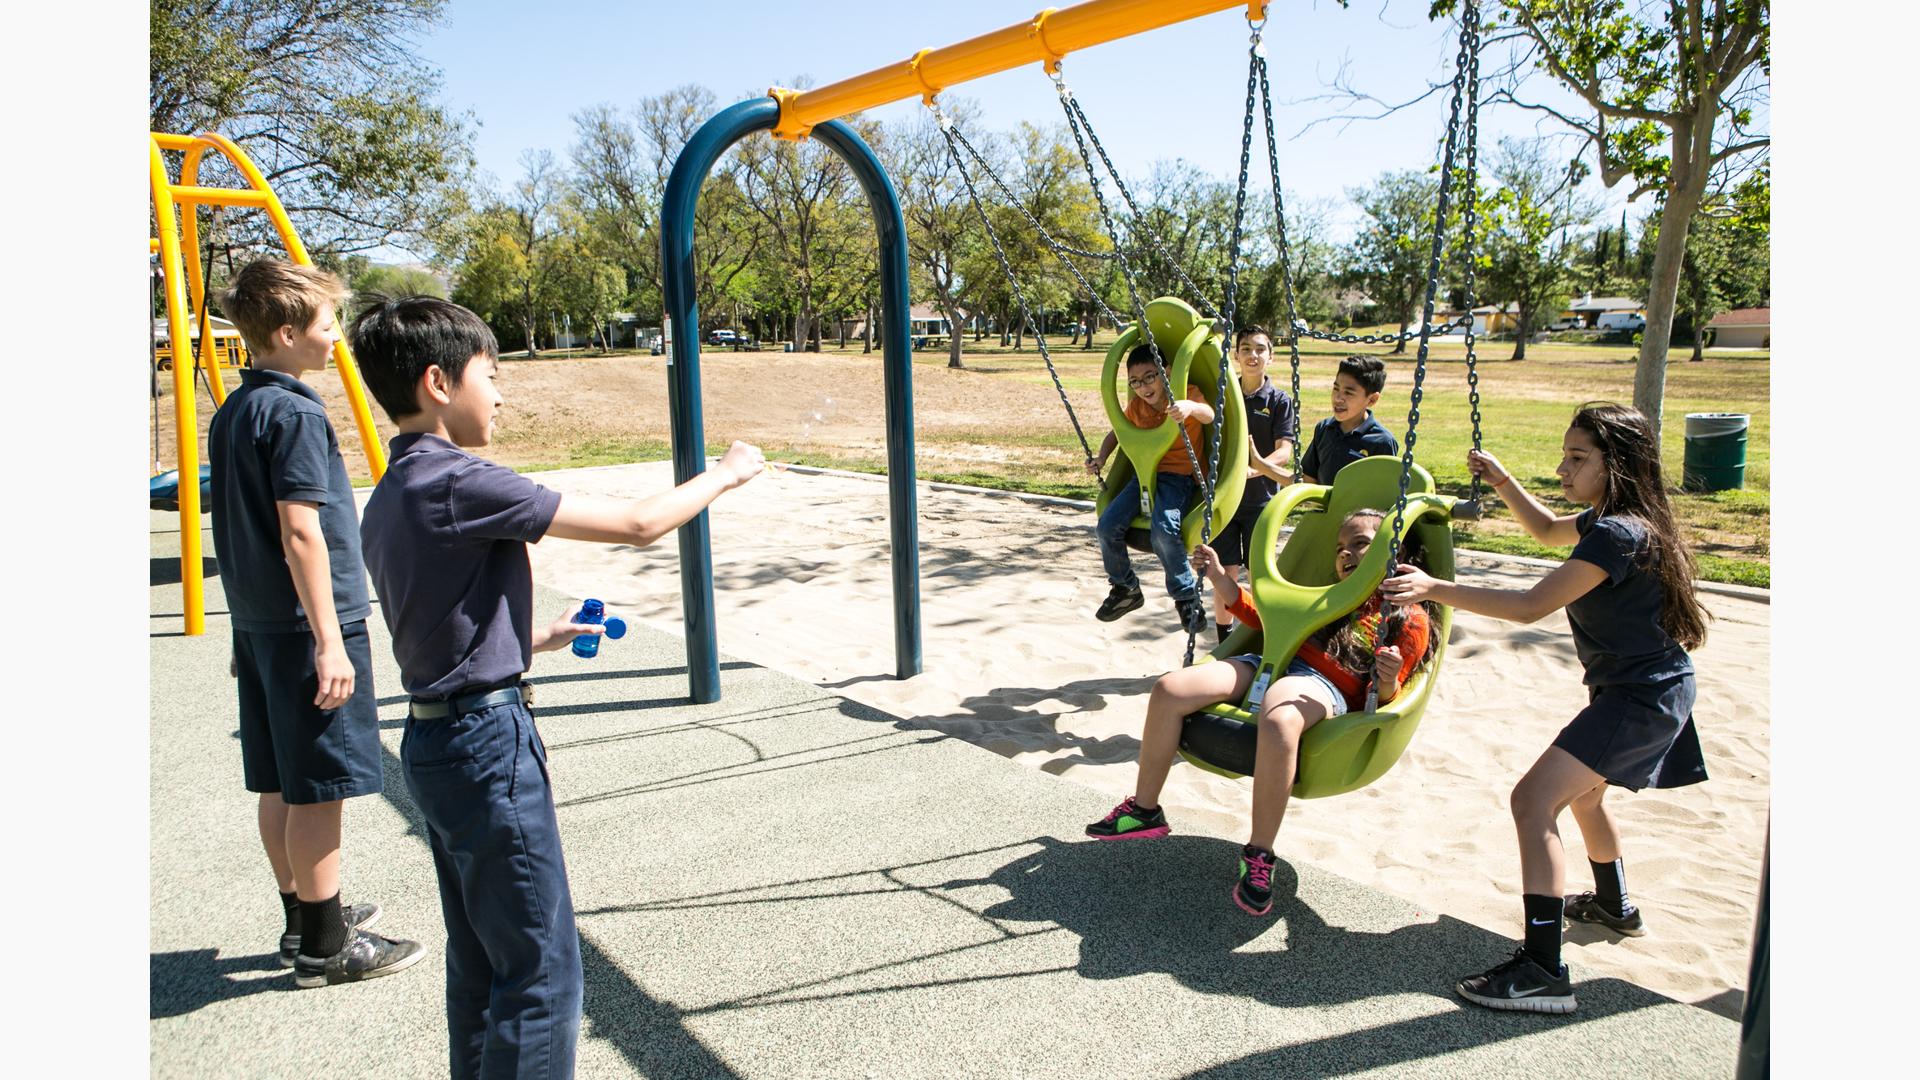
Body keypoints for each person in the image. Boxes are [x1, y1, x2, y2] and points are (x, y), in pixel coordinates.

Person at [352, 296, 767, 1079]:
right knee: (541, 975)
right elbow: (640, 523)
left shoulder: (392, 490)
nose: (501, 392)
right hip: (485, 746)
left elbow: (430, 619)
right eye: (490, 373)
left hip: (435, 737)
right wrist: (725, 473)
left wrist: (526, 635)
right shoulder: (460, 479)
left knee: (481, 961)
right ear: (440, 382)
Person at [1381, 401, 1710, 1015]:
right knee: (1584, 795)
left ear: (1620, 466)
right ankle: (1614, 905)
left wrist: (1433, 587)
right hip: (1646, 689)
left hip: (1641, 696)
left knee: (1533, 801)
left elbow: (1532, 606)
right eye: (1564, 454)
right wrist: (1504, 480)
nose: (1563, 467)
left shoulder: (1618, 534)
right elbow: (1548, 532)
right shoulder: (1616, 521)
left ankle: (1541, 968)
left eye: (1578, 458)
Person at [207, 258, 425, 987]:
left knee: (279, 780)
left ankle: (305, 917)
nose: (335, 341)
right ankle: (329, 950)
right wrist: (331, 641)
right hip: (308, 628)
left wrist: (252, 627)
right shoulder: (296, 413)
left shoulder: (236, 409)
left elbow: (239, 530)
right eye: (328, 326)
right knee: (318, 787)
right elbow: (300, 530)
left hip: (265, 625)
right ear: (287, 332)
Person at [1087, 508, 1436, 918]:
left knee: (1279, 714)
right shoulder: (1324, 592)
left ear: (1394, 550)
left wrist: (1390, 677)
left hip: (1326, 685)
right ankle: (1145, 810)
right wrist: (1219, 575)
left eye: (1360, 544)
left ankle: (1259, 854)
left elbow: (1392, 697)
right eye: (1342, 548)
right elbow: (1261, 617)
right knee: (1170, 688)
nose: (1347, 554)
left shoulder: (1408, 616)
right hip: (1271, 659)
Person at [1087, 344, 1216, 633]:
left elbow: (1210, 414)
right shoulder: (1137, 407)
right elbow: (1116, 432)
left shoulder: (1185, 393)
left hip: (1179, 477)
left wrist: (1190, 408)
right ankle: (1125, 588)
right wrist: (1101, 457)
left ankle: (1185, 597)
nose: (1144, 387)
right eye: (1135, 382)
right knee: (1106, 526)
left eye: (1150, 377)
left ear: (1166, 373)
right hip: (1144, 475)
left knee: (1164, 528)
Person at [1207, 325, 1299, 643]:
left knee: (1258, 574)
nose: (1253, 355)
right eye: (1246, 349)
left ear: (1270, 357)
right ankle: (1224, 638)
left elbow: (1285, 451)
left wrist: (1257, 468)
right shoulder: (1224, 395)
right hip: (1226, 501)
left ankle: (1260, 636)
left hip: (1260, 500)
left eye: (1260, 349)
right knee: (1224, 573)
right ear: (1236, 355)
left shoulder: (1278, 400)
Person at [1297, 355, 1397, 485]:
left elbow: (1384, 493)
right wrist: (1262, 465)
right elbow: (1308, 481)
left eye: (1348, 393)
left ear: (1372, 399)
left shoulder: (1382, 441)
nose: (1338, 399)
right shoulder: (1324, 429)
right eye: (1336, 389)